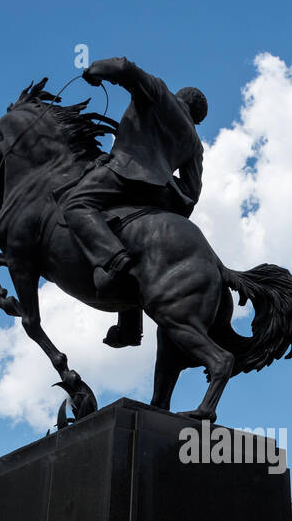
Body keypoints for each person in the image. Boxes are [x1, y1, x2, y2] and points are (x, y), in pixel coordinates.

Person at [59, 56, 207, 347]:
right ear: (198, 119)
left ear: (181, 97)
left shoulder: (162, 95)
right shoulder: (194, 142)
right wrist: (165, 185)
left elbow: (125, 68)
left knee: (76, 205)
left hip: (124, 173)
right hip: (158, 195)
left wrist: (94, 71)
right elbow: (191, 193)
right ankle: (129, 328)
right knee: (133, 239)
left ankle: (114, 265)